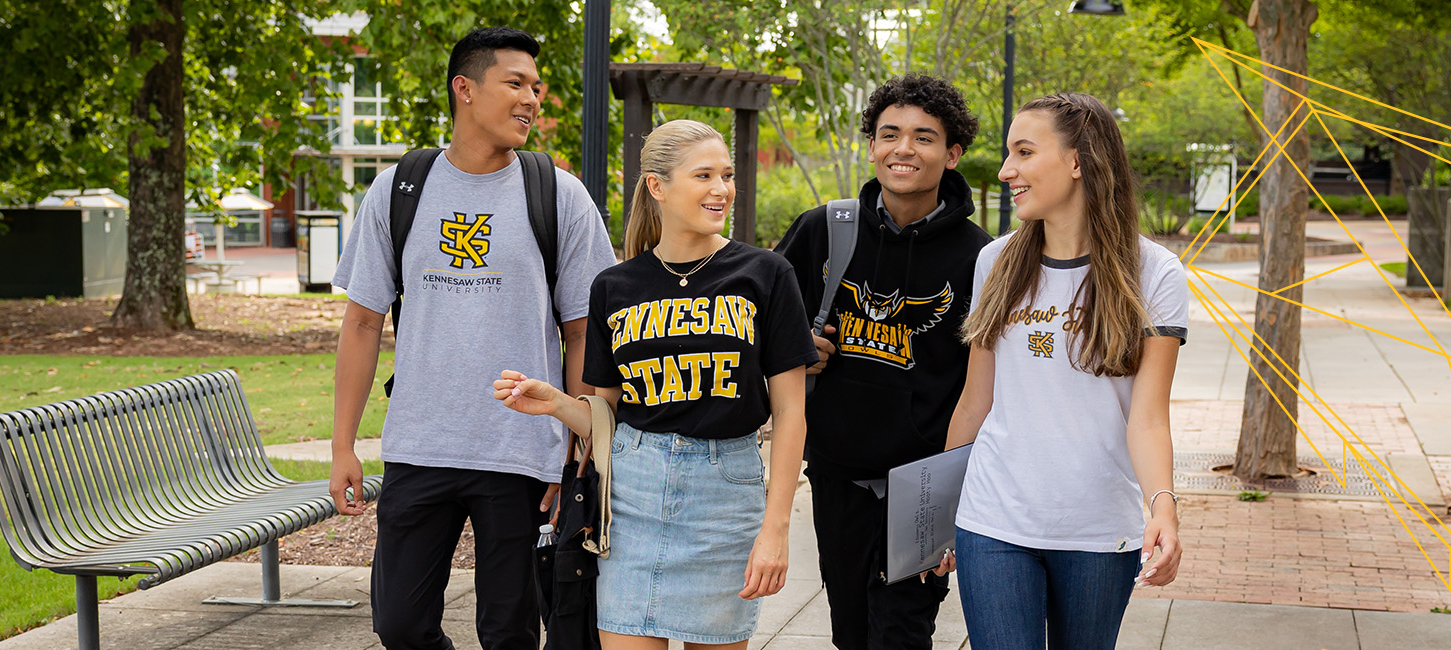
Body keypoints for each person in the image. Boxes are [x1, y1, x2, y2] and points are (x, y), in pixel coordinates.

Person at [328, 26, 617, 650]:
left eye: (535, 87)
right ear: (465, 89)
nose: (532, 99)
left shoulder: (558, 195)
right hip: (420, 445)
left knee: (509, 631)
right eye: (515, 83)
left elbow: (582, 331)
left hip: (520, 451)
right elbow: (361, 322)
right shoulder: (399, 188)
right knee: (399, 625)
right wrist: (343, 445)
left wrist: (573, 447)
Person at [493, 119, 817, 650]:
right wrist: (554, 403)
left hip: (725, 495)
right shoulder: (614, 286)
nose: (722, 189)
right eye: (704, 175)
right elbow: (603, 420)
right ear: (657, 186)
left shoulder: (766, 274)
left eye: (728, 175)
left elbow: (791, 413)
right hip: (632, 499)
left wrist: (775, 529)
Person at [936, 92, 1187, 650]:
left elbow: (1147, 419)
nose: (1007, 171)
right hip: (993, 519)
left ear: (1078, 161)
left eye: (1024, 152)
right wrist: (939, 513)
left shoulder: (1156, 273)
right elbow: (976, 402)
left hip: (1100, 528)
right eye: (1009, 154)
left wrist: (1163, 507)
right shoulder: (995, 262)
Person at [772, 74, 991, 650]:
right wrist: (796, 350)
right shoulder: (823, 228)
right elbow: (757, 325)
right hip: (836, 471)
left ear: (952, 154)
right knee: (849, 630)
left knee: (901, 630)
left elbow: (989, 381)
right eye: (889, 134)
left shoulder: (980, 256)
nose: (904, 149)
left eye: (924, 137)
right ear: (871, 146)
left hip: (923, 482)